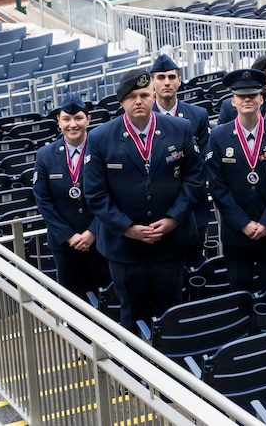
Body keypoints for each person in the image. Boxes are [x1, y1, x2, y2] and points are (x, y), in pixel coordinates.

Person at [82, 70, 203, 331]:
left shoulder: (179, 128)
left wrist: (173, 219)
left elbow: (194, 179)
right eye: (132, 96)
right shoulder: (100, 137)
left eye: (144, 95)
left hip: (170, 242)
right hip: (125, 248)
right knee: (132, 313)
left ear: (154, 96)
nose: (139, 101)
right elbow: (94, 193)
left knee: (171, 310)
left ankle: (172, 367)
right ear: (121, 102)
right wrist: (127, 228)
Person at [204, 68, 266, 293]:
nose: (247, 99)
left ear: (261, 98)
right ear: (232, 101)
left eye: (253, 94)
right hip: (237, 232)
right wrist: (243, 223)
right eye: (241, 95)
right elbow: (217, 185)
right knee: (239, 294)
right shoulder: (218, 135)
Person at [33, 93, 110, 298]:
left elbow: (113, 192)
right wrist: (70, 235)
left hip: (101, 239)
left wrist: (92, 231)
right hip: (66, 246)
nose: (72, 124)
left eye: (78, 118)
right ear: (58, 121)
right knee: (74, 302)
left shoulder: (103, 150)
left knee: (107, 299)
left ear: (88, 119)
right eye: (67, 119)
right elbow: (43, 201)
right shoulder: (45, 155)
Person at [150, 54, 211, 260]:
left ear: (179, 80)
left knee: (195, 269)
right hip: (156, 213)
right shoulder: (142, 117)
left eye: (171, 77)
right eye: (160, 77)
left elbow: (203, 162)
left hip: (193, 208)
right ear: (152, 82)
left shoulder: (198, 115)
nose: (166, 82)